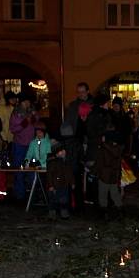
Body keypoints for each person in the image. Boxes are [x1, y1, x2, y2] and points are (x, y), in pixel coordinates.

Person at [61, 82, 93, 211]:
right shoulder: (73, 106)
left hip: (89, 142)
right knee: (75, 172)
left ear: (87, 91)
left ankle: (92, 199)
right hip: (75, 143)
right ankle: (76, 201)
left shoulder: (93, 105)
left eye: (83, 91)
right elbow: (68, 123)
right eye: (78, 91)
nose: (81, 94)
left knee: (91, 172)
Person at [9, 93, 38, 200]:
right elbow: (13, 129)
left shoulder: (32, 111)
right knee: (19, 170)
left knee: (32, 169)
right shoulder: (16, 113)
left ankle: (32, 194)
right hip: (19, 145)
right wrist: (25, 123)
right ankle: (19, 194)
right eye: (24, 101)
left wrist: (34, 119)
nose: (27, 103)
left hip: (31, 144)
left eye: (28, 101)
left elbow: (37, 123)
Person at [94, 129, 124, 219]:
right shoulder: (118, 148)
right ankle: (120, 210)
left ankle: (104, 213)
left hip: (104, 175)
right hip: (114, 175)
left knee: (103, 194)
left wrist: (95, 171)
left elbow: (99, 162)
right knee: (115, 194)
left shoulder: (103, 149)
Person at [46, 141, 75, 219]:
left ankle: (64, 212)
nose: (63, 152)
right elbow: (49, 175)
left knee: (64, 199)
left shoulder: (66, 161)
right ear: (56, 153)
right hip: (55, 185)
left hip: (64, 184)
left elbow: (70, 173)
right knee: (53, 200)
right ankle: (52, 213)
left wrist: (72, 182)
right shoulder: (52, 162)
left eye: (64, 150)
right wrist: (51, 185)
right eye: (61, 151)